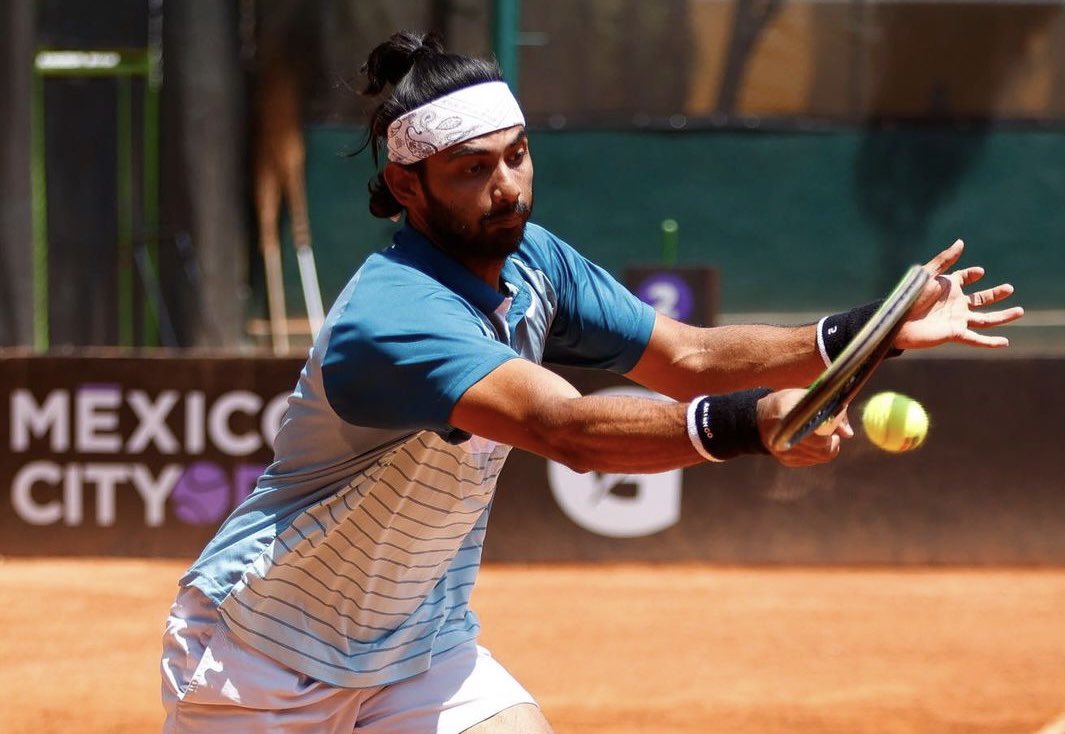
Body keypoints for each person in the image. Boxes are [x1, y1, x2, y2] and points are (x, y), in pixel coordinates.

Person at [160, 30, 1024, 734]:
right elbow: (565, 430)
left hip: (418, 650)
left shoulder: (533, 260)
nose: (507, 189)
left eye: (518, 156)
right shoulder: (394, 315)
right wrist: (754, 424)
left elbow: (685, 357)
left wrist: (870, 333)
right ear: (403, 185)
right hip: (260, 659)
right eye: (472, 169)